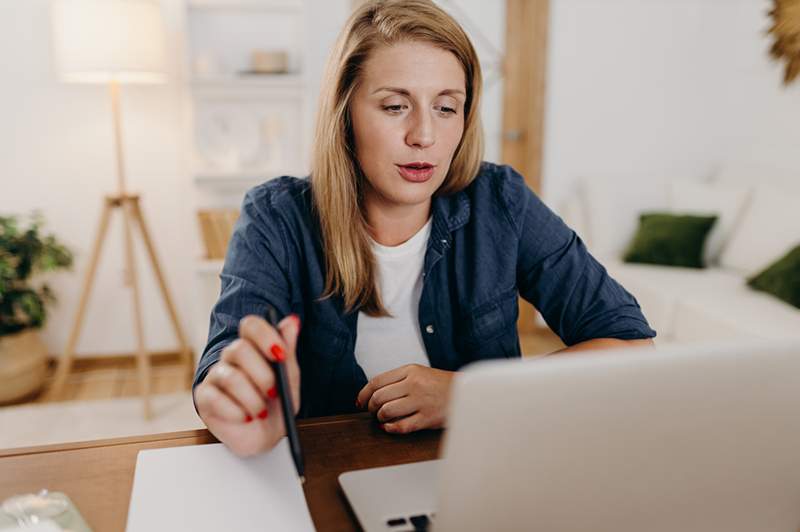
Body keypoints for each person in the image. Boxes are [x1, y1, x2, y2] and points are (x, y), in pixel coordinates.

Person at [192, 0, 656, 457]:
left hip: (481, 478)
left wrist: (472, 394)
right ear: (345, 114)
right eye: (395, 106)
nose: (425, 136)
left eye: (446, 108)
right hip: (328, 482)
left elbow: (631, 346)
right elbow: (222, 370)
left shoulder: (501, 200)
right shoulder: (276, 216)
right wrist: (240, 404)